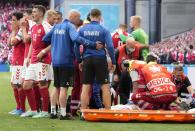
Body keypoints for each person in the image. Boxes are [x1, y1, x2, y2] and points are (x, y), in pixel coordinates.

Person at [42, 9, 104, 120]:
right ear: (74, 17)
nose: (79, 20)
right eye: (78, 18)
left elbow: (45, 38)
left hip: (55, 61)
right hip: (66, 61)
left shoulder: (57, 26)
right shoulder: (70, 26)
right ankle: (63, 114)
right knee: (64, 87)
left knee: (56, 87)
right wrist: (93, 44)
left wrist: (57, 41)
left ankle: (52, 111)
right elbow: (76, 38)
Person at [77, 8, 116, 110]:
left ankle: (83, 111)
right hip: (100, 59)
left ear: (90, 17)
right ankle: (107, 111)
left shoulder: (82, 29)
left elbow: (75, 46)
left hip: (87, 58)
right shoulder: (104, 30)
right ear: (100, 17)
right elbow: (111, 47)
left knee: (86, 87)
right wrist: (113, 61)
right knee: (105, 86)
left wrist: (79, 60)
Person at [21, 5, 53, 118]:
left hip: (43, 60)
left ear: (40, 13)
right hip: (33, 61)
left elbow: (54, 42)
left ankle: (45, 112)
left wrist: (43, 52)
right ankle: (34, 110)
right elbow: (32, 45)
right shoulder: (33, 27)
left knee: (42, 85)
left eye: (34, 12)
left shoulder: (46, 26)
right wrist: (29, 57)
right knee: (26, 85)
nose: (32, 14)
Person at [8, 11, 25, 115]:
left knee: (18, 84)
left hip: (20, 60)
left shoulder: (21, 31)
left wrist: (14, 31)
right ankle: (18, 106)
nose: (12, 22)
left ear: (19, 20)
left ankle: (21, 108)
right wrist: (13, 31)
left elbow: (13, 42)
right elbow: (9, 44)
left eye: (14, 20)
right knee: (14, 84)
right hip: (15, 60)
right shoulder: (15, 30)